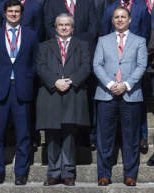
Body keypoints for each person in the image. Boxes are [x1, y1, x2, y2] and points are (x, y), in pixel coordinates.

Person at [0, 0, 39, 186]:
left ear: (21, 14)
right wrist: (0, 78)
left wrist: (26, 77)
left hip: (22, 88)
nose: (14, 14)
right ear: (4, 13)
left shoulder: (31, 35)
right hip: (0, 89)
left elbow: (34, 62)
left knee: (23, 133)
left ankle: (21, 173)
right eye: (10, 11)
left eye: (17, 11)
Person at [93, 6, 148, 186]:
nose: (119, 19)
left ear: (130, 20)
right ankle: (104, 174)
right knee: (105, 138)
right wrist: (110, 84)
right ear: (112, 20)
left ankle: (130, 174)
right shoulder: (103, 40)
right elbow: (97, 65)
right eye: (116, 17)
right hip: (106, 94)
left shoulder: (139, 41)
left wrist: (125, 85)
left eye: (123, 17)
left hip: (130, 95)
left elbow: (141, 66)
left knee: (131, 137)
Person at [35, 14, 91, 186]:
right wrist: (54, 81)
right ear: (55, 27)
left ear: (73, 28)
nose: (64, 28)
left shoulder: (82, 45)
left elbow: (86, 66)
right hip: (51, 94)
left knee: (69, 135)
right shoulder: (44, 46)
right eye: (61, 25)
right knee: (51, 136)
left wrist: (71, 80)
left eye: (67, 25)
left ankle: (68, 172)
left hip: (72, 93)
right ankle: (53, 173)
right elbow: (40, 66)